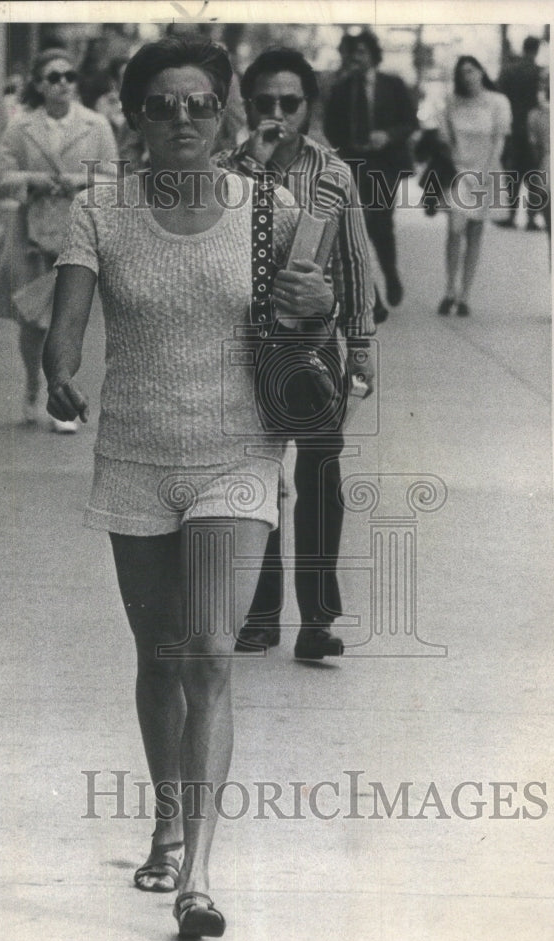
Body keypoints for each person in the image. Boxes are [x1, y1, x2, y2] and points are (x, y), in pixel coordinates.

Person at [42, 34, 333, 939]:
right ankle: (166, 819)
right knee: (160, 653)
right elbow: (71, 316)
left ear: (225, 114)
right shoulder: (103, 207)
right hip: (134, 454)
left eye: (200, 105)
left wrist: (317, 308)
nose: (182, 120)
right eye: (162, 105)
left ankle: (197, 878)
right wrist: (58, 371)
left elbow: (315, 314)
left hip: (236, 456)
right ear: (136, 113)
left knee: (209, 653)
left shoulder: (269, 209)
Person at [215, 46, 375, 662]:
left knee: (319, 472)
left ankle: (317, 620)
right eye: (265, 103)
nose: (277, 114)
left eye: (290, 102)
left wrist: (359, 344)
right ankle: (259, 615)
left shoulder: (332, 174)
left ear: (309, 107)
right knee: (258, 477)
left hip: (312, 343)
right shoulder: (224, 171)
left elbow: (354, 261)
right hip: (245, 345)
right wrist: (250, 165)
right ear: (246, 107)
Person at [0, 48, 119, 432]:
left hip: (76, 233)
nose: (62, 83)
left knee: (68, 320)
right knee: (31, 321)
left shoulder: (96, 126)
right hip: (31, 231)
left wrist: (79, 182)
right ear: (38, 84)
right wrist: (35, 180)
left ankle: (59, 399)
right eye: (53, 77)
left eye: (68, 76)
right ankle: (33, 385)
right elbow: (2, 178)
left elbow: (115, 179)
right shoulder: (22, 127)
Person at [323, 29, 417, 320]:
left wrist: (387, 136)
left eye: (362, 52)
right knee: (357, 226)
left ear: (373, 54)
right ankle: (371, 294)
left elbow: (410, 122)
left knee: (381, 224)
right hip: (354, 162)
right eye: (352, 53)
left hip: (384, 163)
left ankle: (390, 273)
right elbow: (330, 126)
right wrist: (344, 149)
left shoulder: (393, 84)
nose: (356, 58)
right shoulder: (341, 88)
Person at [436, 56, 511, 317]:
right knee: (455, 229)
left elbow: (498, 140)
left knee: (476, 231)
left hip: (486, 171)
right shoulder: (451, 102)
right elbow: (444, 138)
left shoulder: (498, 102)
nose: (467, 76)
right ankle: (449, 289)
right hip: (458, 171)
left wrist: (487, 173)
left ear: (481, 71)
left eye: (471, 70)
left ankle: (465, 295)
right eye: (462, 72)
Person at [496, 35, 542, 231]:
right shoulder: (540, 72)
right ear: (537, 49)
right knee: (534, 173)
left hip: (513, 128)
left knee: (512, 172)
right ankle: (532, 218)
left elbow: (499, 96)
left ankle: (511, 214)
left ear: (522, 47)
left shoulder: (509, 71)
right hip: (535, 128)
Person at [526, 67, 550, 237]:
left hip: (546, 161)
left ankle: (532, 216)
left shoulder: (537, 113)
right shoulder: (538, 113)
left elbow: (534, 143)